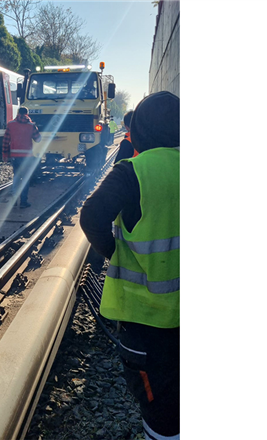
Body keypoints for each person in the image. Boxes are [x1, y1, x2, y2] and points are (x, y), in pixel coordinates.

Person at [80, 91, 180, 440]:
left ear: (137, 133)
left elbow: (92, 216)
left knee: (163, 412)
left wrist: (117, 253)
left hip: (147, 323)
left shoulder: (132, 172)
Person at [2, 107, 41, 208]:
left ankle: (14, 201)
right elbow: (38, 139)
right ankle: (23, 202)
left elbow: (5, 141)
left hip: (15, 157)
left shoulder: (11, 124)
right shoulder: (31, 125)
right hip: (27, 157)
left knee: (16, 178)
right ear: (27, 114)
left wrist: (5, 155)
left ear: (18, 113)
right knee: (25, 179)